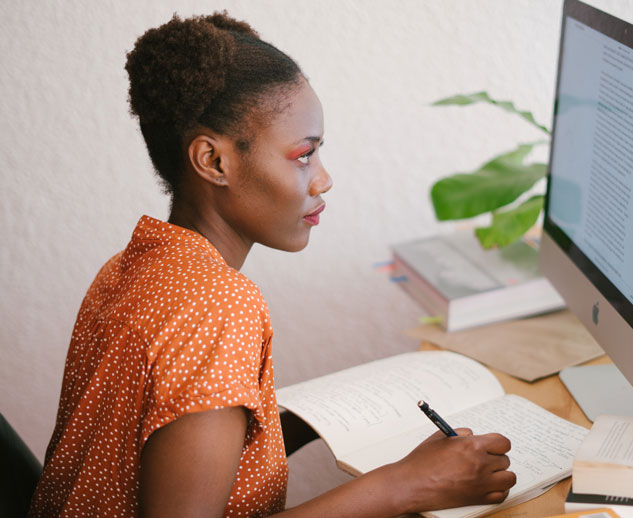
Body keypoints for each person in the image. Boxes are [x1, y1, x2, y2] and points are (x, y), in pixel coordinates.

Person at [28, 12, 516, 518]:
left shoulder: (130, 267)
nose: (323, 179)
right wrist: (406, 486)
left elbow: (151, 442)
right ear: (214, 162)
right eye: (303, 155)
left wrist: (305, 426)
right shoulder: (218, 306)